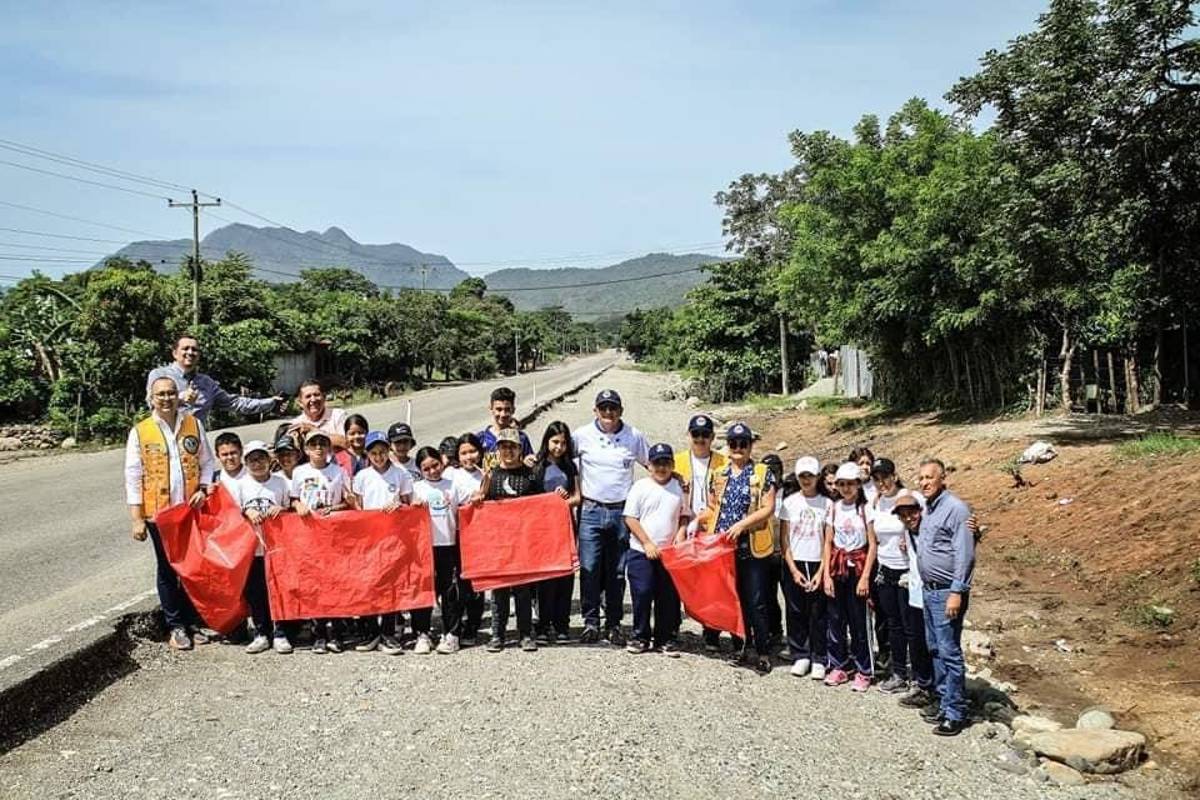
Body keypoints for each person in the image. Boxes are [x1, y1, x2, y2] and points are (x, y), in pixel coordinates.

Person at [124, 375, 215, 651]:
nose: (166, 398)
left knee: (191, 568)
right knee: (167, 569)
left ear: (179, 396)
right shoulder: (141, 431)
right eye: (161, 394)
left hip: (189, 511)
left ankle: (192, 621)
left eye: (171, 393)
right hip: (158, 514)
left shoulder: (193, 424)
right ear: (151, 398)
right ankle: (175, 625)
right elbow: (133, 475)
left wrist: (202, 487)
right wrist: (137, 518)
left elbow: (207, 462)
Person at [572, 389, 649, 645]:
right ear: (595, 410)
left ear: (620, 411)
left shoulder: (633, 436)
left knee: (617, 571)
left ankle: (613, 623)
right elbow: (559, 458)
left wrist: (678, 481)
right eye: (603, 408)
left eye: (612, 408)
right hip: (591, 510)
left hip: (621, 511)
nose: (608, 413)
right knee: (589, 568)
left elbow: (654, 464)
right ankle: (590, 622)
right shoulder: (582, 436)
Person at [710, 422, 778, 675]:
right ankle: (741, 646)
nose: (738, 448)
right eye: (734, 444)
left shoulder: (762, 472)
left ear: (750, 446)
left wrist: (741, 525)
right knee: (733, 598)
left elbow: (768, 508)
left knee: (757, 600)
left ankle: (762, 650)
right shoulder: (719, 473)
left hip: (752, 544)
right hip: (725, 547)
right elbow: (713, 507)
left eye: (743, 444)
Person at [915, 458, 976, 736]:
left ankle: (956, 711)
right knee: (935, 648)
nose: (924, 482)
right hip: (929, 590)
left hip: (946, 591)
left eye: (929, 477)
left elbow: (965, 554)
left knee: (949, 651)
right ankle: (943, 701)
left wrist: (957, 591)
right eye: (921, 478)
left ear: (943, 479)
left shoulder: (956, 509)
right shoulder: (929, 508)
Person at [479, 429, 546, 653]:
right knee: (498, 591)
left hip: (523, 543)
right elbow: (482, 507)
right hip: (499, 544)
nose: (508, 451)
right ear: (497, 449)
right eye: (504, 446)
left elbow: (541, 506)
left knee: (523, 590)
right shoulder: (491, 475)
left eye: (513, 446)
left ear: (520, 449)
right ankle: (497, 634)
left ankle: (526, 633)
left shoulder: (532, 475)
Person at [351, 431, 415, 655]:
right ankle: (370, 631)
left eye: (382, 452)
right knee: (369, 584)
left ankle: (388, 633)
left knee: (390, 585)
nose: (378, 457)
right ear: (367, 454)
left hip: (393, 538)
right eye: (373, 453)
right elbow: (357, 506)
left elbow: (410, 505)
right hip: (368, 539)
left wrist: (399, 506)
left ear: (389, 451)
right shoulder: (362, 477)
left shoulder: (401, 474)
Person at [622, 443, 689, 656]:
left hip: (669, 552)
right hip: (641, 551)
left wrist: (680, 533)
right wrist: (647, 543)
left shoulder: (679, 488)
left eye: (666, 463)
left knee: (667, 597)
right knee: (642, 593)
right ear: (649, 465)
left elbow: (684, 514)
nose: (662, 468)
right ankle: (640, 635)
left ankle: (665, 638)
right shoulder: (640, 487)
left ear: (672, 465)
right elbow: (630, 518)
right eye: (657, 463)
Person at [411, 446, 476, 655]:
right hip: (424, 548)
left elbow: (472, 500)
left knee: (449, 592)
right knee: (424, 591)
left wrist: (481, 492)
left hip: (448, 545)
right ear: (420, 470)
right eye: (426, 468)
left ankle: (452, 634)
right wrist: (412, 505)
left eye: (435, 465)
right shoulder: (416, 488)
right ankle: (422, 633)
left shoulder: (453, 485)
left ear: (442, 462)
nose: (432, 471)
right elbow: (403, 508)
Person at [289, 430, 350, 653]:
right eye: (313, 444)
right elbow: (294, 498)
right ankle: (319, 632)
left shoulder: (339, 471)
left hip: (333, 534)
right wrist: (299, 506)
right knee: (313, 583)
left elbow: (347, 501)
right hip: (308, 535)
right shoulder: (299, 472)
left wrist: (332, 509)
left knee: (335, 582)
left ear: (329, 448)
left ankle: (337, 631)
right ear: (305, 449)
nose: (318, 448)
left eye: (323, 444)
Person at [674, 413, 729, 652]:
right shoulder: (675, 461)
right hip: (680, 526)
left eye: (705, 435)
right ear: (689, 435)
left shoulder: (724, 463)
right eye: (696, 434)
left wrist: (703, 519)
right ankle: (672, 626)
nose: (700, 439)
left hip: (711, 529)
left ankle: (712, 630)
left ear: (712, 437)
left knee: (712, 582)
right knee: (679, 578)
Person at [145, 334, 284, 427]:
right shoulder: (158, 375)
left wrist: (270, 403)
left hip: (194, 442)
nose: (190, 352)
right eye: (185, 348)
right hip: (162, 438)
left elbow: (235, 403)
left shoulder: (206, 383)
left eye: (195, 350)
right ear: (175, 353)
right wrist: (180, 399)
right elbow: (151, 403)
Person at [230, 440, 290, 655]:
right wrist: (247, 512)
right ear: (245, 462)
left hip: (277, 548)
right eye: (252, 459)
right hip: (252, 549)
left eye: (261, 458)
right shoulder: (241, 486)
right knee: (256, 592)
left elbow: (290, 508)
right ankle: (261, 632)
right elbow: (233, 515)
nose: (257, 463)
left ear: (269, 459)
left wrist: (280, 508)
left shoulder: (281, 483)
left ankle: (281, 631)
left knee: (278, 591)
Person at [821, 462, 877, 691]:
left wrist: (865, 577)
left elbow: (872, 544)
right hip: (838, 566)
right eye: (841, 484)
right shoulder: (833, 508)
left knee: (859, 621)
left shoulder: (865, 509)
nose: (846, 488)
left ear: (858, 485)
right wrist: (826, 575)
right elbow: (828, 542)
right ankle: (840, 665)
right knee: (836, 619)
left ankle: (864, 667)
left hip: (857, 567)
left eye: (850, 484)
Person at [869, 458, 923, 695]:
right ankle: (899, 672)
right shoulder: (876, 502)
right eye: (877, 479)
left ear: (895, 475)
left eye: (886, 477)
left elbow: (924, 523)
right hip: (885, 568)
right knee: (893, 624)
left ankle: (920, 677)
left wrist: (910, 534)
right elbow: (873, 536)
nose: (882, 483)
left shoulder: (911, 497)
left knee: (912, 626)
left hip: (907, 569)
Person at [778, 456, 829, 680]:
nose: (806, 480)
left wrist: (821, 571)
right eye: (802, 476)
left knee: (818, 612)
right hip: (795, 560)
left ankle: (819, 656)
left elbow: (828, 540)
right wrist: (793, 569)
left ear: (818, 477)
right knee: (795, 609)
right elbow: (784, 539)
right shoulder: (790, 503)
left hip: (818, 560)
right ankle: (800, 653)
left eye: (810, 476)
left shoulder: (827, 504)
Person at [532, 421, 581, 644]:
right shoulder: (536, 466)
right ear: (546, 441)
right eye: (554, 442)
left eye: (563, 443)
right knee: (546, 578)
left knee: (565, 575)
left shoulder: (571, 467)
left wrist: (563, 501)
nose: (558, 447)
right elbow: (530, 499)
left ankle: (562, 625)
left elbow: (578, 497)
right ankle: (543, 625)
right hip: (542, 530)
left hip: (566, 527)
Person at [890, 491, 937, 714]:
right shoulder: (908, 534)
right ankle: (924, 687)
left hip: (934, 595)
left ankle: (940, 693)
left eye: (912, 512)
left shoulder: (932, 531)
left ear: (921, 510)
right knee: (917, 642)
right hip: (916, 594)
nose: (908, 518)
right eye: (903, 515)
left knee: (935, 646)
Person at [449, 432, 487, 645]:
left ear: (480, 452)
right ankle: (456, 622)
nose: (469, 457)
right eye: (463, 453)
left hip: (477, 536)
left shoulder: (485, 475)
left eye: (472, 451)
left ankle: (473, 623)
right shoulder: (450, 475)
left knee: (476, 582)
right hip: (454, 534)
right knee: (457, 582)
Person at [760, 452, 786, 651]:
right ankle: (773, 631)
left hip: (786, 554)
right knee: (768, 596)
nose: (773, 474)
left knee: (792, 599)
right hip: (765, 552)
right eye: (768, 470)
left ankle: (795, 638)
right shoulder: (759, 492)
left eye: (775, 470)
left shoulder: (791, 491)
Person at [477, 387, 533, 469]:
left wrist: (527, 463)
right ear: (491, 408)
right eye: (498, 409)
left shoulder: (521, 438)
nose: (503, 414)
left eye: (507, 409)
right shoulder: (481, 438)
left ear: (513, 410)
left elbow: (530, 464)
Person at [289, 379, 348, 450]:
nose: (313, 399)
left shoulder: (338, 415)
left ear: (324, 397)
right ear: (300, 402)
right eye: (308, 396)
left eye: (316, 395)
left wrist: (314, 430)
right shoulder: (296, 424)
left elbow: (346, 443)